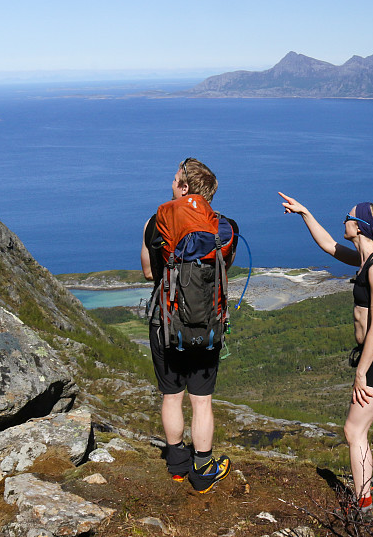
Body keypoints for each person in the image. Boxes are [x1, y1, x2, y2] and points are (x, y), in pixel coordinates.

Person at [279, 192, 373, 516]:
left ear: (360, 226)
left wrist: (361, 371)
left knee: (354, 430)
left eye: (348, 217)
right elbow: (329, 247)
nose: (344, 221)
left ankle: (363, 505)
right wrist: (305, 213)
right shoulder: (369, 259)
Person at [141, 158, 236, 493]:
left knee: (171, 396)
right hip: (207, 325)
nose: (172, 181)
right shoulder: (225, 227)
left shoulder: (156, 222)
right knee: (201, 401)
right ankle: (204, 467)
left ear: (184, 187)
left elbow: (149, 273)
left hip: (165, 323)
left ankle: (178, 467)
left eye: (176, 177)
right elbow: (223, 271)